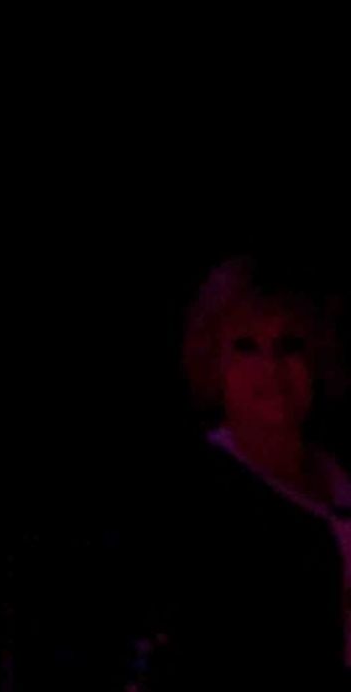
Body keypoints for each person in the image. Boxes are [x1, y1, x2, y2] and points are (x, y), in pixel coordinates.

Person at [133, 257, 349, 690]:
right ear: (213, 362)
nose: (270, 368)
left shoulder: (338, 468)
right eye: (246, 347)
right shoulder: (195, 496)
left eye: (289, 345)